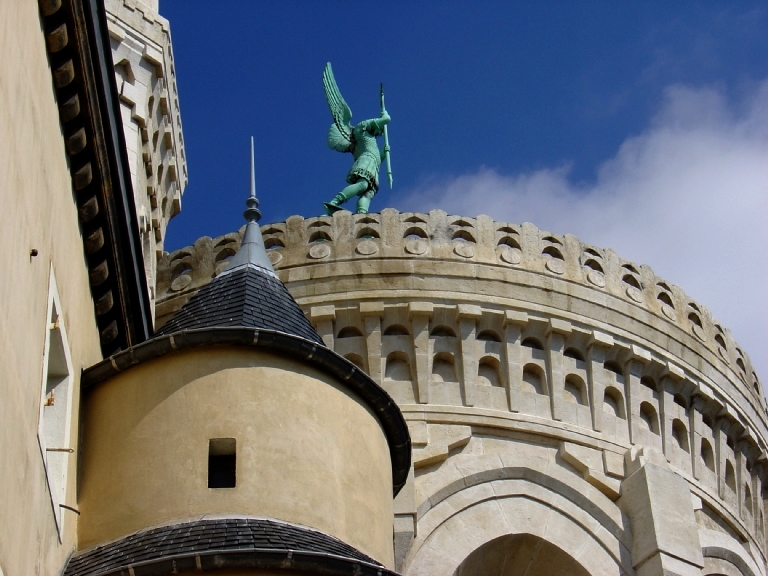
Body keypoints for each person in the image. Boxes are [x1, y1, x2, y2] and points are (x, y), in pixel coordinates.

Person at [324, 110, 390, 215]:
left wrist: (383, 153)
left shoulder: (371, 140)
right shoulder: (361, 129)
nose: (379, 133)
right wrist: (385, 115)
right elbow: (387, 119)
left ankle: (362, 214)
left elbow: (377, 160)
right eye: (380, 129)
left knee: (368, 193)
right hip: (366, 160)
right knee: (363, 184)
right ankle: (335, 201)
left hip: (373, 165)